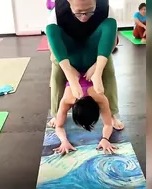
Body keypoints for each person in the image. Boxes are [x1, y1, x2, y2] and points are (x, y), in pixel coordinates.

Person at [46, 0, 124, 130]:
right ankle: (55, 113)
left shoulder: (107, 10)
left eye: (89, 11)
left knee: (108, 71)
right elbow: (52, 45)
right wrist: (69, 72)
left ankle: (113, 115)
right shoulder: (57, 14)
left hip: (94, 51)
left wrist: (97, 68)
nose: (84, 16)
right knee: (57, 73)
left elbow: (113, 42)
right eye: (78, 13)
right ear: (69, 4)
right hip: (69, 52)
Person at [53, 73, 118, 155]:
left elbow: (108, 124)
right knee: (56, 81)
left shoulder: (100, 98)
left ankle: (113, 116)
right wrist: (64, 141)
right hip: (71, 69)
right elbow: (58, 126)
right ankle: (55, 115)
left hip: (91, 70)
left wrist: (105, 139)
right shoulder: (67, 99)